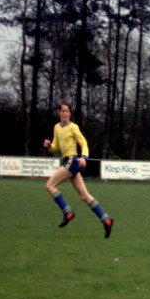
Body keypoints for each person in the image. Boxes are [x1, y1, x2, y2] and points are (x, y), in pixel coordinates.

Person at [42, 99, 114, 238]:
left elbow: (84, 143)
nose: (65, 113)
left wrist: (84, 157)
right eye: (63, 111)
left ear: (70, 113)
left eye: (67, 111)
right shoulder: (57, 128)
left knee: (50, 186)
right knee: (84, 196)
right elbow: (56, 147)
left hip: (72, 161)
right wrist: (49, 146)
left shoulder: (73, 127)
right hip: (68, 162)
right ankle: (106, 220)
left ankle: (67, 211)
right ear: (59, 112)